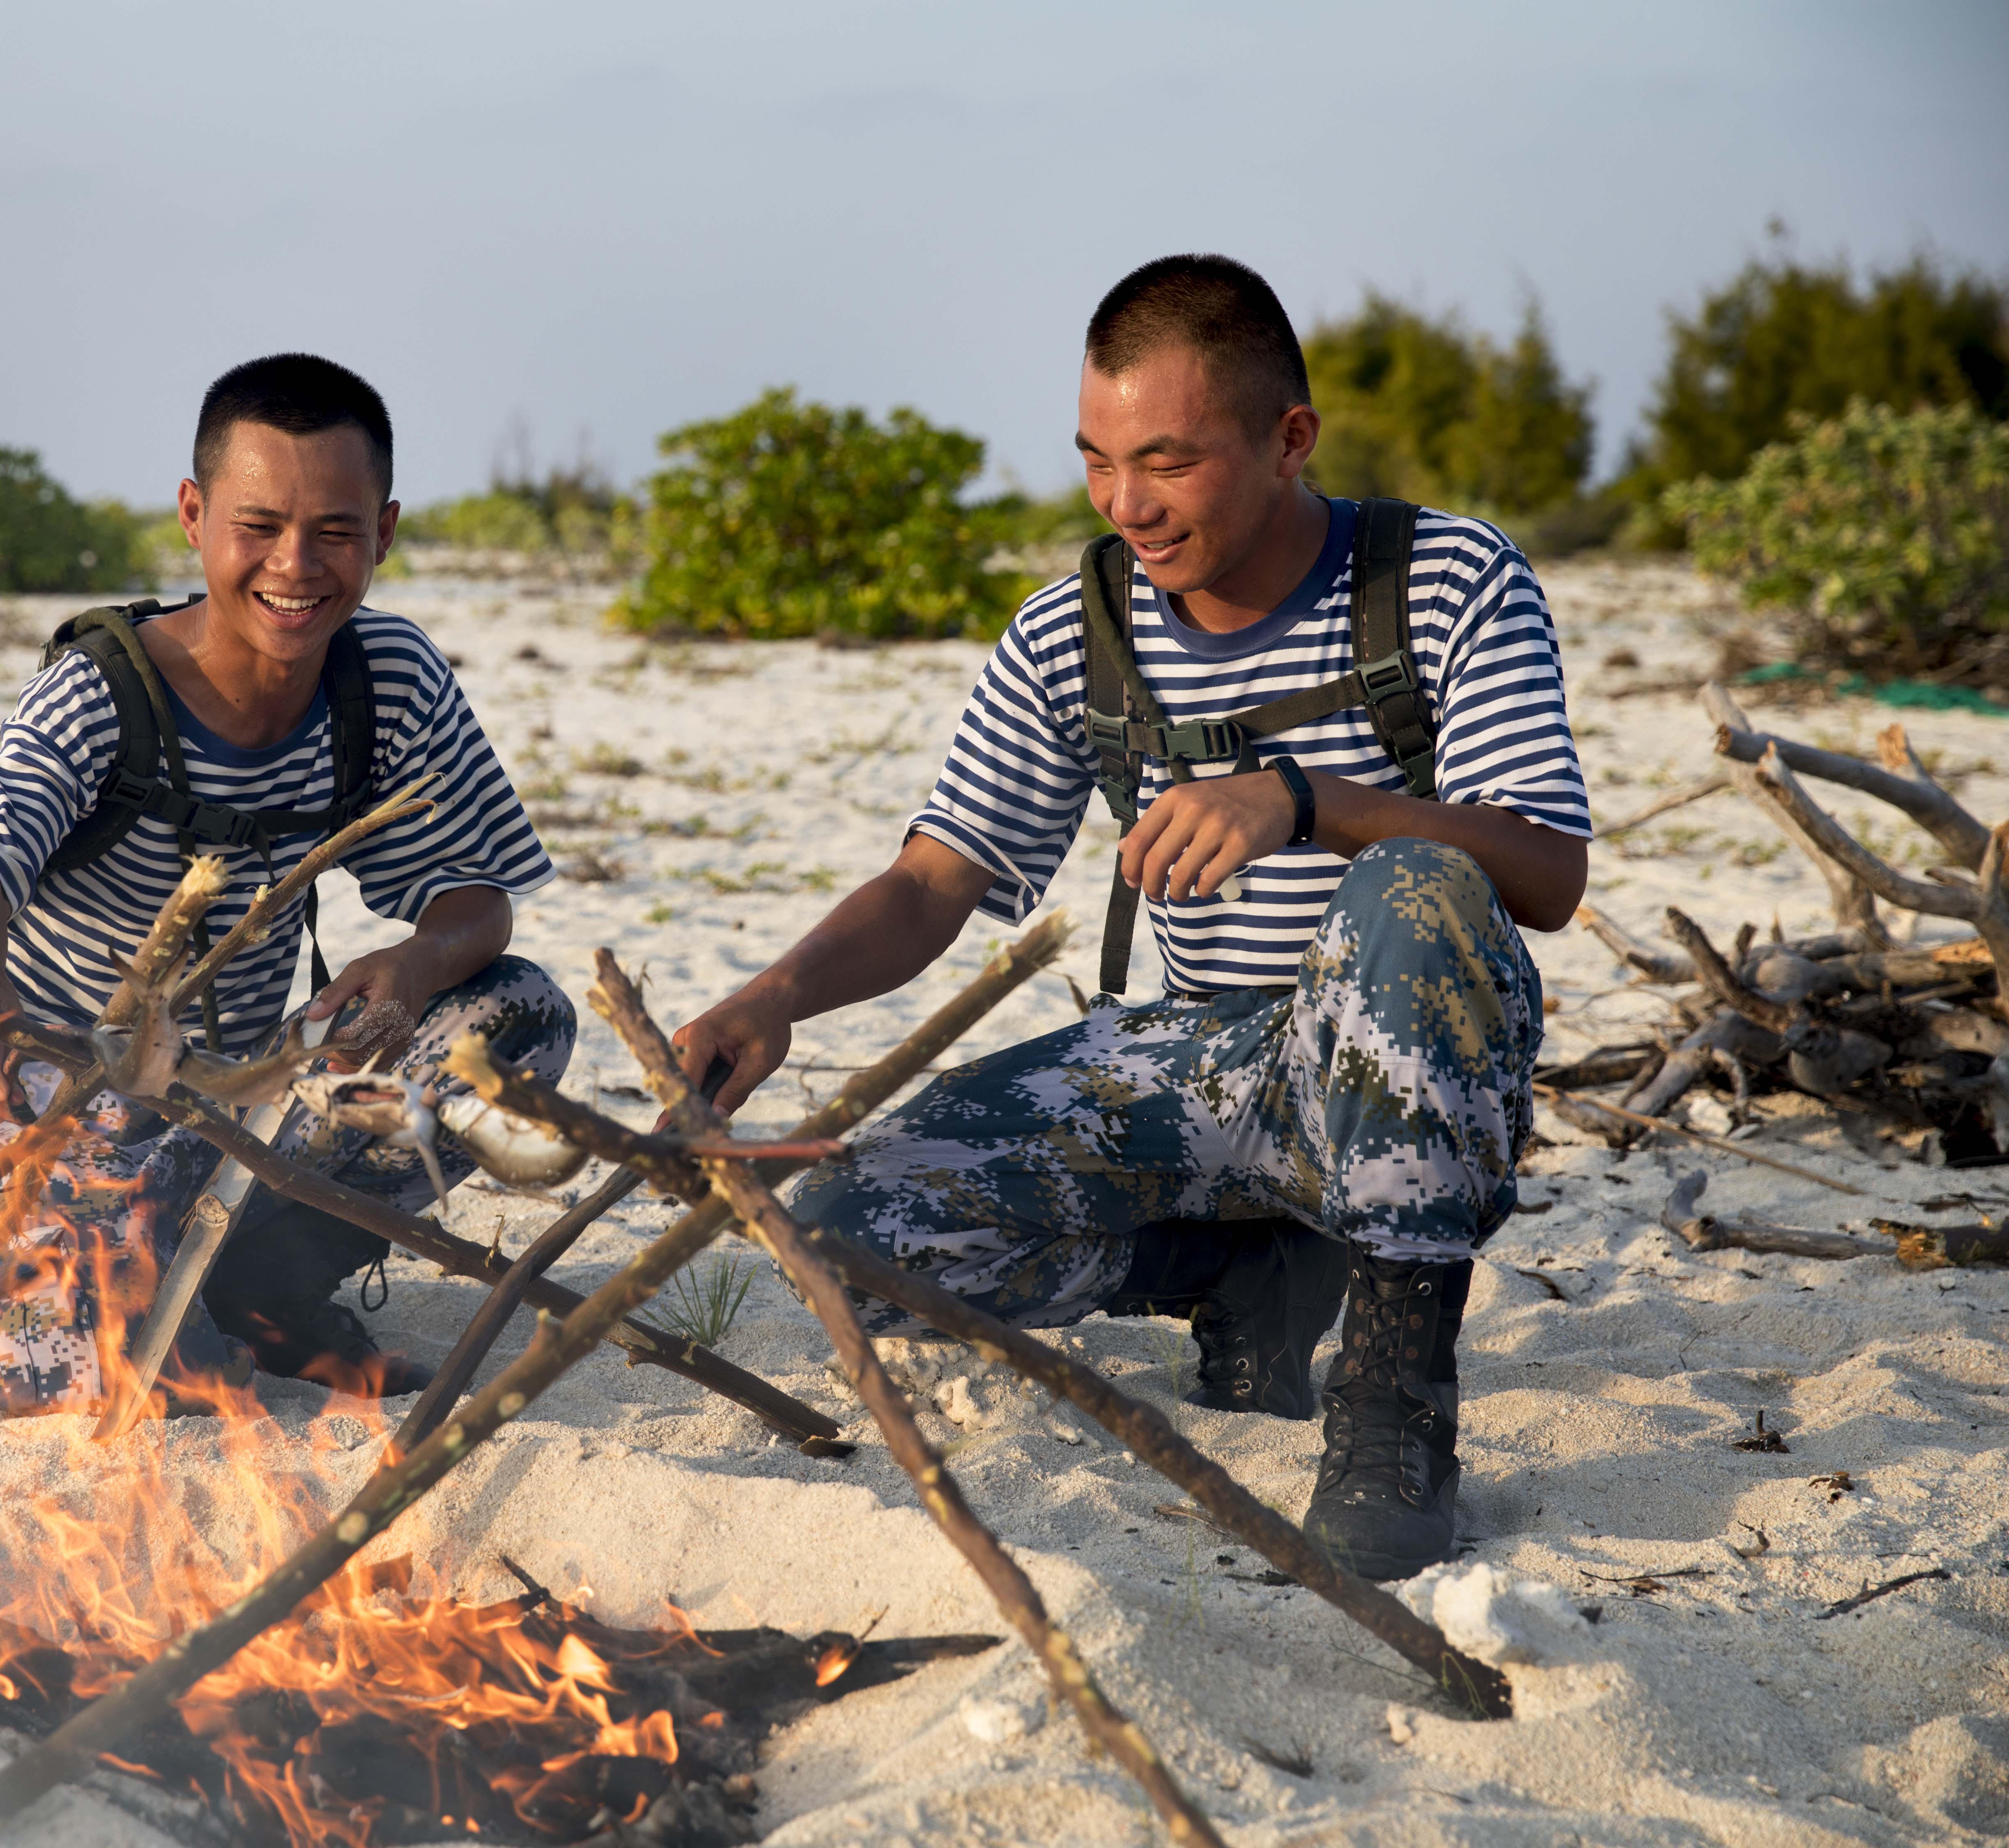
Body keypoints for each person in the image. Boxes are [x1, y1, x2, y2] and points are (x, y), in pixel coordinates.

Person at [672, 256, 1589, 1579]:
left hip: (1404, 1071)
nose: (1126, 505)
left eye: (1169, 462)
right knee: (848, 1237)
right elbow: (934, 881)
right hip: (1200, 1061)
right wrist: (775, 996)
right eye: (1098, 462)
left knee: (1420, 883)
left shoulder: (1446, 576)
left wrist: (1303, 799)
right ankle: (1238, 1275)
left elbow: (1548, 875)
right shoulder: (1075, 631)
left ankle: (1394, 1400)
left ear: (1290, 440)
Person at [0, 353, 568, 1415]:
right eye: (258, 526)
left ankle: (264, 1293)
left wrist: (416, 962)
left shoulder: (388, 679)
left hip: (247, 1108)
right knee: (102, 1388)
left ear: (384, 534)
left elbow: (477, 901)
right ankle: (77, 1284)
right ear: (194, 515)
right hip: (57, 1113)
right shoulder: (99, 693)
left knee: (517, 1013)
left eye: (336, 532)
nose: (295, 566)